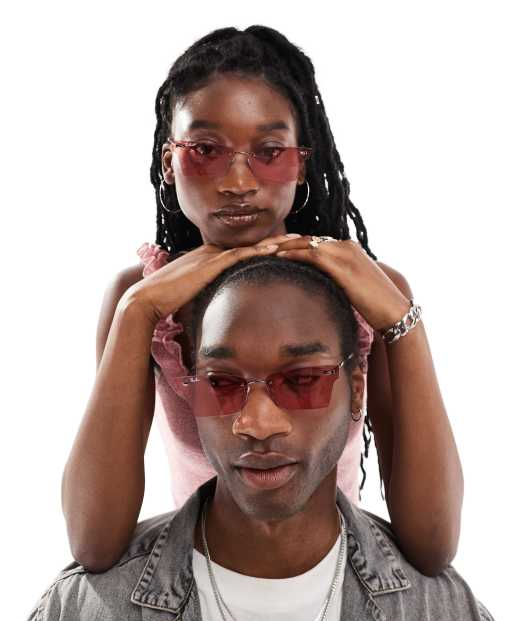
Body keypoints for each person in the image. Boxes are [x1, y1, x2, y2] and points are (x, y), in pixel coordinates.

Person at [61, 25, 463, 577]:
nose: (238, 182)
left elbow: (433, 547)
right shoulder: (143, 300)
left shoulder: (368, 291)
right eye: (206, 151)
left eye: (269, 151)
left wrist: (403, 322)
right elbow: (93, 544)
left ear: (302, 161)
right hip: (195, 580)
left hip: (336, 575)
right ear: (168, 162)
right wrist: (136, 313)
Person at [14, 256, 508, 621]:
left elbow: (435, 539)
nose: (256, 422)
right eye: (221, 383)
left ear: (357, 388)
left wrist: (404, 324)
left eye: (302, 380)